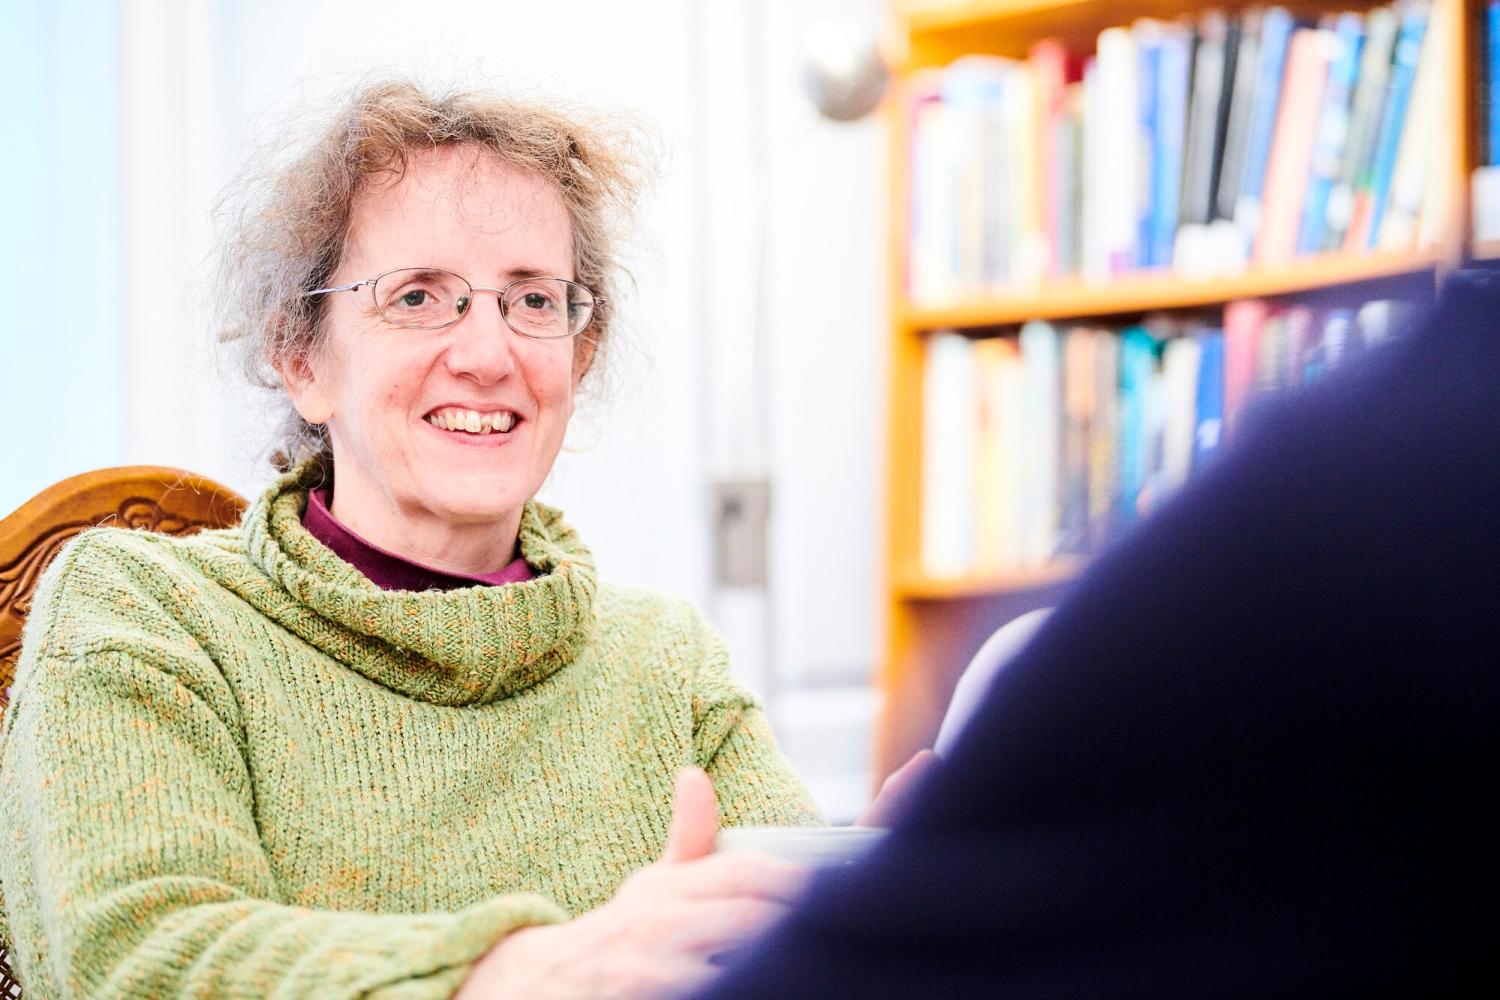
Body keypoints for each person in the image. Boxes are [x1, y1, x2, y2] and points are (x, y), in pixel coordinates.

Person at [0, 79, 838, 999]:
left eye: (533, 301)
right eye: (418, 297)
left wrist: (913, 897)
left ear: (577, 355)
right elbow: (139, 959)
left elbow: (797, 946)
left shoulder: (666, 662)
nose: (489, 355)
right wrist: (519, 972)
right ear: (300, 356)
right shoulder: (141, 612)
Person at [698, 271, 1500, 997]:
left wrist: (892, 886)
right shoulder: (1394, 489)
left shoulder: (683, 659)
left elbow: (811, 939)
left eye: (565, 302)